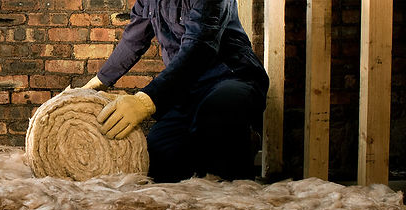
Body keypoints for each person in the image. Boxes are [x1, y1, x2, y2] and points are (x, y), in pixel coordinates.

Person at [82, 0, 269, 183]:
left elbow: (199, 47)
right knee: (158, 156)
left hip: (230, 77)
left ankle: (240, 152)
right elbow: (132, 40)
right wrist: (96, 84)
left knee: (217, 116)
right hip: (185, 88)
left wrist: (145, 101)